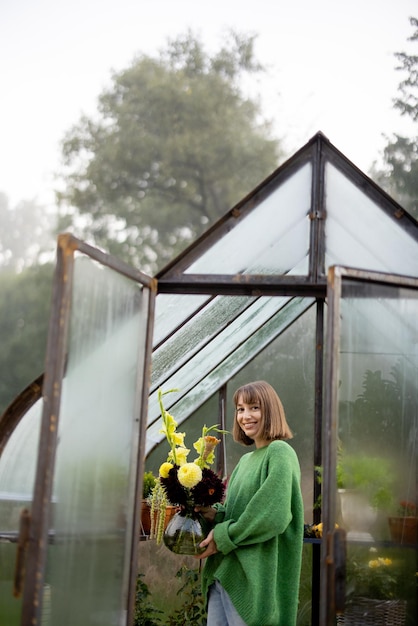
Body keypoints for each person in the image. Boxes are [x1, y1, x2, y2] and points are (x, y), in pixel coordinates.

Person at [195, 380, 304, 626]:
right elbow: (236, 515)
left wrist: (221, 536)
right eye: (240, 409)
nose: (245, 416)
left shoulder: (280, 453)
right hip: (225, 576)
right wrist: (210, 514)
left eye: (254, 407)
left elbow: (270, 515)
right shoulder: (245, 462)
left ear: (270, 411)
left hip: (255, 585)